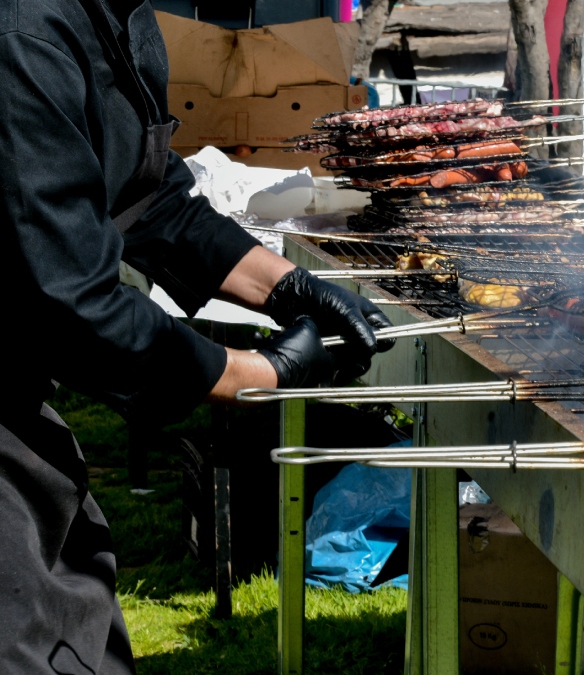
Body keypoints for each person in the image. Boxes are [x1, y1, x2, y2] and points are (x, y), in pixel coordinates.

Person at [0, 1, 394, 672]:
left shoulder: (119, 18)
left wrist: (287, 286)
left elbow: (150, 200)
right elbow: (73, 301)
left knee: (81, 620)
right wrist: (255, 373)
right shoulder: (22, 34)